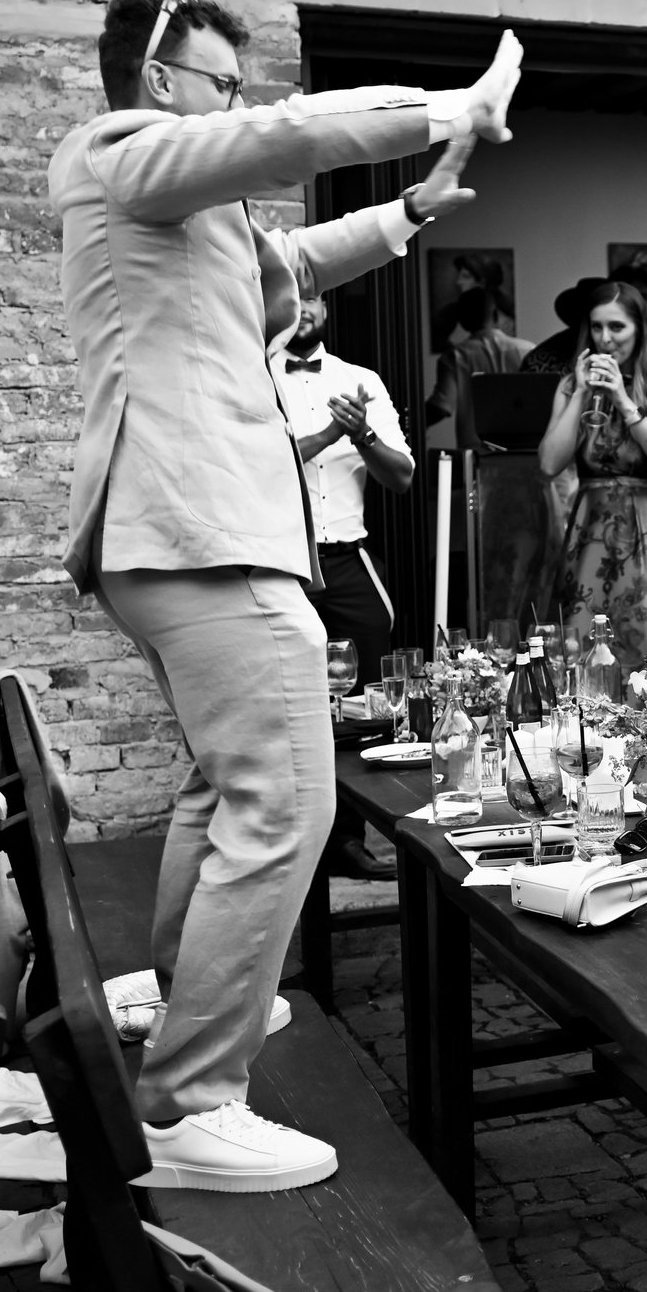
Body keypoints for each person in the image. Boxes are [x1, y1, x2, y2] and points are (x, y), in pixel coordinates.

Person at [54, 0, 517, 1189]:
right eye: (219, 81)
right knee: (291, 804)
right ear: (162, 83)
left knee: (226, 787)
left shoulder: (179, 212)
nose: (237, 103)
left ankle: (190, 1001)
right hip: (200, 530)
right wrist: (441, 106)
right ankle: (191, 1102)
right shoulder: (122, 153)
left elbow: (286, 263)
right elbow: (286, 137)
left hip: (175, 534)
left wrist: (406, 214)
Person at [274, 292, 414, 882]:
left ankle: (356, 840)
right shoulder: (254, 377)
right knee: (289, 702)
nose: (303, 307)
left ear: (327, 305)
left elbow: (401, 476)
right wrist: (335, 428)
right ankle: (294, 846)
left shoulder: (361, 380)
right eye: (291, 296)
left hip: (350, 557)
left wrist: (361, 437)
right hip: (281, 560)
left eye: (311, 296)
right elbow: (266, 462)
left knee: (368, 698)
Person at [537, 280, 647, 667]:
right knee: (583, 654)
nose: (605, 338)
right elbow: (548, 464)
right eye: (596, 327)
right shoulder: (573, 382)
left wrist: (625, 404)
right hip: (589, 539)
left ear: (640, 327)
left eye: (617, 327)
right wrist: (579, 395)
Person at [423, 285, 531, 427]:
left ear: (462, 322)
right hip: (526, 445)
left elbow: (440, 407)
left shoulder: (454, 357)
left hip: (475, 446)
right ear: (495, 315)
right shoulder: (527, 349)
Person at [521, 276, 613, 373]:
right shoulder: (542, 360)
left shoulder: (623, 357)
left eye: (616, 326)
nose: (605, 337)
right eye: (596, 325)